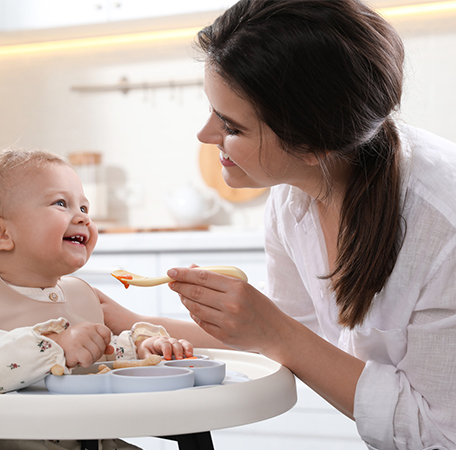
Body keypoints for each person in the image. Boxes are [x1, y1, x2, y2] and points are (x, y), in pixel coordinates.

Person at [97, 1, 456, 449]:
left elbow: (440, 433)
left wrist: (275, 330)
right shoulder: (292, 195)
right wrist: (128, 321)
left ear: (312, 145)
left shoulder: (442, 226)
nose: (206, 135)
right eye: (212, 111)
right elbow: (285, 337)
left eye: (230, 125)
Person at [0, 148, 192, 450]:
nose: (82, 217)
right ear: (0, 232)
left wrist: (142, 350)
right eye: (61, 204)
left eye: (84, 208)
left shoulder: (81, 294)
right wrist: (56, 346)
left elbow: (100, 357)